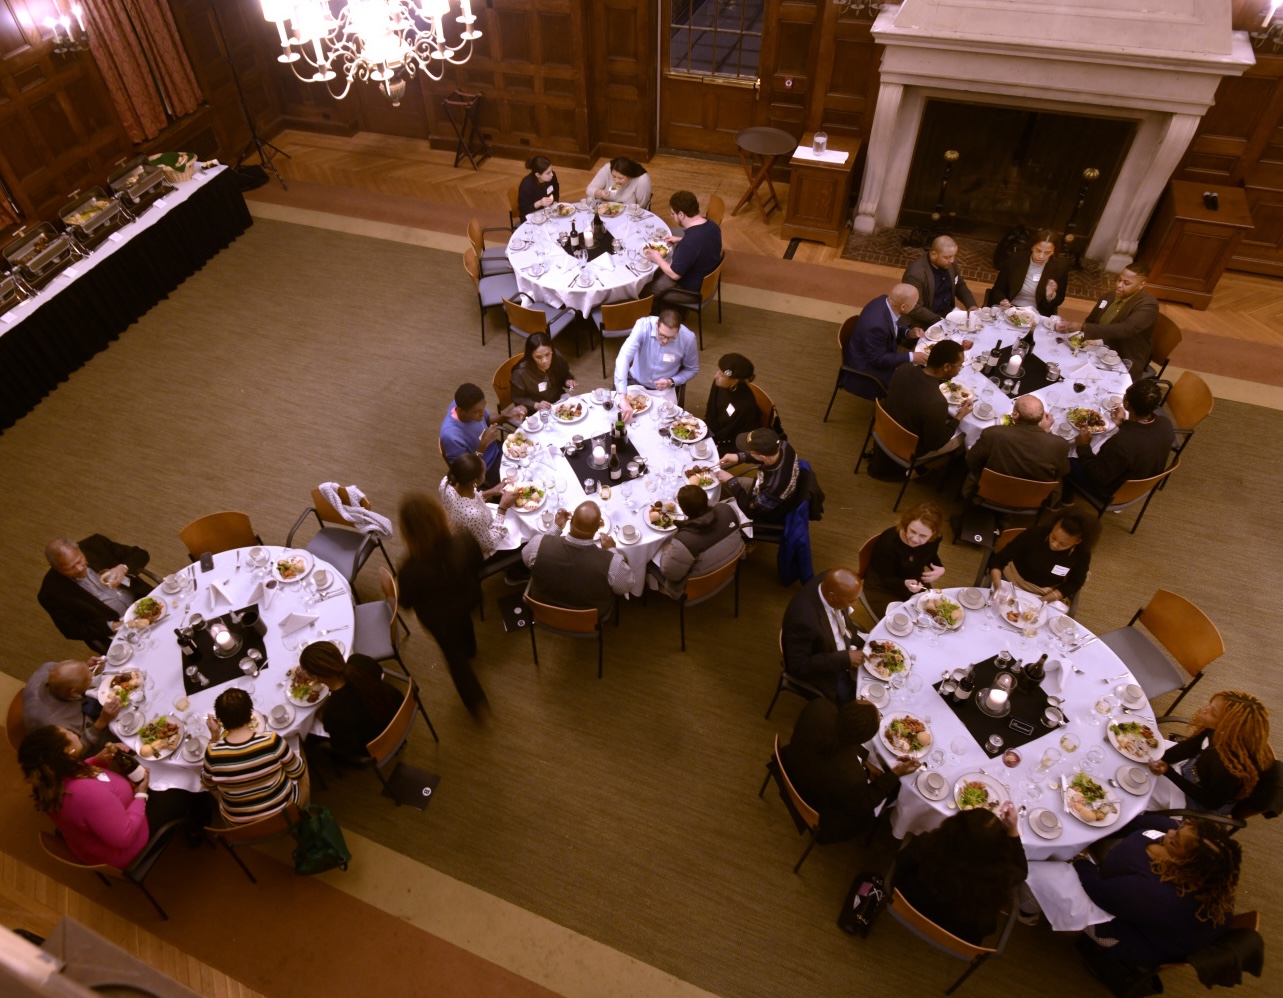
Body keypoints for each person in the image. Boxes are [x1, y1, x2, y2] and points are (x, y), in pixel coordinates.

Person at [19, 725, 209, 867]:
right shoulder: (87, 794)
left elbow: (81, 774)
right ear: (68, 751)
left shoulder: (51, 778)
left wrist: (98, 760)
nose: (74, 733)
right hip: (127, 846)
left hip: (97, 833)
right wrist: (141, 794)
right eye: (69, 734)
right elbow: (124, 837)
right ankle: (198, 825)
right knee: (183, 786)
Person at [1073, 815, 1240, 974]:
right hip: (1163, 925)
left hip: (1133, 941)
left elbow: (1097, 890)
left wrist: (1080, 857)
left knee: (1067, 886)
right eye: (1180, 828)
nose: (1170, 832)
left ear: (1187, 863)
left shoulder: (1154, 893)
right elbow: (1137, 823)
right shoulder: (1213, 880)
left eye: (1175, 841)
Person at [397, 492, 490, 720]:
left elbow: (406, 603)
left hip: (439, 619)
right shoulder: (464, 542)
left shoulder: (409, 569)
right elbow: (480, 567)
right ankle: (472, 650)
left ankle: (478, 706)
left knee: (455, 659)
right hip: (468, 601)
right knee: (466, 625)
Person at [779, 698, 919, 842]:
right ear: (863, 740)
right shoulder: (852, 777)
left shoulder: (819, 707)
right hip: (814, 803)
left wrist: (865, 764)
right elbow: (865, 803)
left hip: (792, 761)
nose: (861, 698)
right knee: (867, 818)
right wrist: (895, 774)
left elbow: (837, 740)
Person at [893, 804, 1028, 945]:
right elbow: (1021, 870)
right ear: (1000, 851)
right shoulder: (1000, 878)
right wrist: (1013, 830)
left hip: (912, 905)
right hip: (961, 937)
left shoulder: (929, 845)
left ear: (952, 829)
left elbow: (902, 860)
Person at [1149, 691, 1275, 813]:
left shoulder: (1227, 766)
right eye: (1210, 704)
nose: (1204, 709)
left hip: (1197, 801)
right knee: (1146, 751)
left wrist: (1168, 772)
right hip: (1195, 770)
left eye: (1213, 713)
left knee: (1140, 792)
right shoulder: (1218, 732)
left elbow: (1211, 802)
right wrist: (1158, 759)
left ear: (1226, 727)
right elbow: (1190, 747)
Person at [202, 688, 306, 824]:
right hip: (285, 814)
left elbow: (207, 784)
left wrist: (214, 738)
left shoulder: (212, 753)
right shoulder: (271, 740)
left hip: (239, 824)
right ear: (251, 713)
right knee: (300, 752)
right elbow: (297, 772)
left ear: (220, 721)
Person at [523, 501, 635, 622]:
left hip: (544, 610)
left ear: (570, 522)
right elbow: (626, 586)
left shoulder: (538, 545)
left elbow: (526, 560)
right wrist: (612, 550)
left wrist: (556, 527)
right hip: (585, 620)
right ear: (597, 528)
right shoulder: (612, 563)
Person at [38, 535, 151, 651]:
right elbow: (71, 629)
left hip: (144, 600)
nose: (79, 569)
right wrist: (113, 626)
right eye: (70, 568)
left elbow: (140, 554)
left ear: (79, 550)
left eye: (79, 561)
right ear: (55, 567)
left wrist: (122, 568)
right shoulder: (50, 593)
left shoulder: (95, 544)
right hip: (120, 629)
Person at [1070, 378, 1174, 499]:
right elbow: (1142, 437)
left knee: (1065, 460)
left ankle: (1065, 498)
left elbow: (1098, 475)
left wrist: (1083, 446)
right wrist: (1122, 423)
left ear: (1126, 403)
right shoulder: (1165, 423)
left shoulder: (1121, 443)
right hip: (1142, 482)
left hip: (1112, 491)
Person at [297, 642, 400, 763]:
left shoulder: (333, 711)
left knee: (311, 739)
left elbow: (343, 748)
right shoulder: (359, 660)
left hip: (377, 741)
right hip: (395, 708)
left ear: (316, 677)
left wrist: (322, 717)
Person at [781, 568, 866, 705]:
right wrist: (845, 658)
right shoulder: (803, 621)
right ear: (832, 597)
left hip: (842, 644)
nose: (854, 605)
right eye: (851, 601)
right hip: (827, 670)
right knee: (857, 702)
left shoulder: (828, 582)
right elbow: (798, 666)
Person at [963, 395, 1070, 503]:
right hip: (1031, 499)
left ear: (1015, 415)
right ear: (1042, 418)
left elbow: (971, 460)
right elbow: (1062, 472)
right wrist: (1047, 432)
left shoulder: (993, 433)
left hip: (988, 491)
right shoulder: (1059, 444)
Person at [1058, 264, 1159, 378]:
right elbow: (1092, 320)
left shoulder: (1148, 305)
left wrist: (1083, 327)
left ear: (1141, 285)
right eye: (1119, 280)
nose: (1119, 285)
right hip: (1098, 347)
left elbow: (1126, 329)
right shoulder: (1109, 295)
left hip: (1124, 356)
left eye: (1126, 283)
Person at [648, 485, 743, 599]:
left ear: (683, 510)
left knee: (652, 555)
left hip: (698, 587)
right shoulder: (727, 509)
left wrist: (666, 549)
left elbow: (669, 573)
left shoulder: (685, 542)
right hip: (729, 568)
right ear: (706, 499)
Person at [883, 339, 973, 457]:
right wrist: (959, 416)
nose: (959, 370)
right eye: (959, 366)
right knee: (963, 436)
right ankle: (922, 469)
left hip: (884, 428)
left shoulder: (904, 368)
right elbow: (935, 444)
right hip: (908, 448)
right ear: (946, 367)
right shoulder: (937, 402)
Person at [989, 510, 1095, 605]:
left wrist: (1041, 601)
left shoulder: (1082, 554)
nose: (1054, 545)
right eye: (1053, 537)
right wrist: (998, 586)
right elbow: (999, 559)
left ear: (1078, 541)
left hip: (1044, 593)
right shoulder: (1035, 534)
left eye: (1063, 544)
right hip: (1011, 580)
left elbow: (1074, 583)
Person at [23, 657, 121, 756]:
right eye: (89, 679)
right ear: (73, 692)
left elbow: (70, 676)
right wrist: (102, 721)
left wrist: (86, 667)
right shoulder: (57, 725)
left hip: (75, 703)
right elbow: (79, 751)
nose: (92, 674)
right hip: (81, 745)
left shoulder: (48, 667)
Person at [864, 503, 947, 616]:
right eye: (912, 531)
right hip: (882, 586)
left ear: (933, 534)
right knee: (902, 622)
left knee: (935, 613)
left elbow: (930, 554)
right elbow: (886, 578)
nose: (915, 539)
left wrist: (940, 568)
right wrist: (905, 584)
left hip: (913, 579)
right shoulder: (888, 542)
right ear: (905, 525)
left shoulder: (935, 538)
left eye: (923, 536)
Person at [439, 382, 525, 488]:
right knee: (522, 483)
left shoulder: (464, 404)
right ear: (461, 411)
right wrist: (483, 444)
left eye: (483, 408)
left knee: (531, 459)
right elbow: (465, 472)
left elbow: (487, 419)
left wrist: (506, 417)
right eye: (477, 412)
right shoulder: (450, 436)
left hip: (498, 449)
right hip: (485, 469)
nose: (482, 413)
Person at [844, 284, 927, 393]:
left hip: (871, 353)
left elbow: (894, 322)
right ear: (903, 307)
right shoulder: (876, 327)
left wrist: (908, 332)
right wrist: (912, 356)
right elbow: (878, 360)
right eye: (915, 303)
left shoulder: (884, 300)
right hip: (867, 372)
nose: (916, 305)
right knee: (915, 387)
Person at [641, 190, 722, 303]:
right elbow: (702, 242)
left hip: (691, 291)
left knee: (644, 290)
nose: (673, 216)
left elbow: (674, 274)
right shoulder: (712, 226)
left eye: (673, 213)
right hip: (707, 280)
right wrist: (681, 240)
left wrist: (657, 258)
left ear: (681, 214)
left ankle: (663, 313)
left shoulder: (690, 242)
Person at [613, 309, 699, 413]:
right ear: (657, 324)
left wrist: (671, 381)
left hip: (664, 389)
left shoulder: (688, 338)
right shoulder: (643, 326)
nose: (665, 341)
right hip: (636, 381)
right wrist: (622, 398)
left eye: (671, 338)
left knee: (662, 423)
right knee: (623, 414)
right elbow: (624, 357)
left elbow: (692, 369)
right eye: (662, 335)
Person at [439, 453, 518, 560]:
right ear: (475, 481)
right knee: (521, 532)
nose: (485, 475)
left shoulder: (446, 482)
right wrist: (502, 508)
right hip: (475, 548)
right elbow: (489, 544)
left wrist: (492, 491)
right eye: (484, 473)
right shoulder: (473, 516)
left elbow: (472, 499)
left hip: (462, 529)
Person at [715, 427, 800, 525]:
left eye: (750, 451)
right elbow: (761, 456)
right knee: (721, 483)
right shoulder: (783, 446)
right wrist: (739, 457)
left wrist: (731, 481)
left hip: (765, 509)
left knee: (719, 488)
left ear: (762, 457)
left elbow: (750, 511)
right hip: (760, 486)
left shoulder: (773, 487)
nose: (748, 451)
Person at [902, 235, 977, 330]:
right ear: (934, 255)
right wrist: (942, 321)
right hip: (925, 321)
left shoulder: (950, 263)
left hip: (948, 314)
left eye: (954, 256)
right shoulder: (915, 274)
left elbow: (959, 285)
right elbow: (916, 308)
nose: (952, 260)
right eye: (947, 257)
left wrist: (971, 305)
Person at [988, 230, 1070, 316]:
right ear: (1032, 247)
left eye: (1047, 253)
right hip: (1010, 308)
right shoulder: (1015, 259)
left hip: (1036, 313)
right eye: (1038, 251)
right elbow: (998, 289)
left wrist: (1050, 295)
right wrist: (1002, 300)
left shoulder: (1060, 267)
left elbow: (1058, 300)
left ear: (1053, 252)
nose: (1041, 256)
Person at [704, 352, 760, 451]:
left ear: (735, 381)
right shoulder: (719, 384)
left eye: (722, 375)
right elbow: (711, 407)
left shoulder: (746, 405)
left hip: (728, 442)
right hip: (712, 429)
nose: (716, 376)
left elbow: (737, 433)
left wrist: (712, 439)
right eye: (718, 371)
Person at [509, 332, 575, 412]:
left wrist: (567, 381)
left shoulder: (556, 356)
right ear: (531, 356)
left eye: (547, 354)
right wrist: (536, 405)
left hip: (558, 399)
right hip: (535, 409)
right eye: (538, 357)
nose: (545, 361)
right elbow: (518, 399)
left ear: (551, 350)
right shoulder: (520, 373)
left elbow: (565, 374)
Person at [586, 156, 651, 207]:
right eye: (614, 176)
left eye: (620, 178)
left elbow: (642, 206)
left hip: (628, 214)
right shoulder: (608, 168)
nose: (616, 181)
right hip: (606, 209)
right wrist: (601, 193)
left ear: (629, 175)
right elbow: (589, 189)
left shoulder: (642, 180)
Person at [517, 155, 559, 221]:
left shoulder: (552, 177)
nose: (552, 174)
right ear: (537, 175)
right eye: (548, 173)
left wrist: (555, 202)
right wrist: (539, 203)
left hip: (548, 212)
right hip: (531, 216)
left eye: (551, 170)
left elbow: (556, 190)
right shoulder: (526, 185)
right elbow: (523, 209)